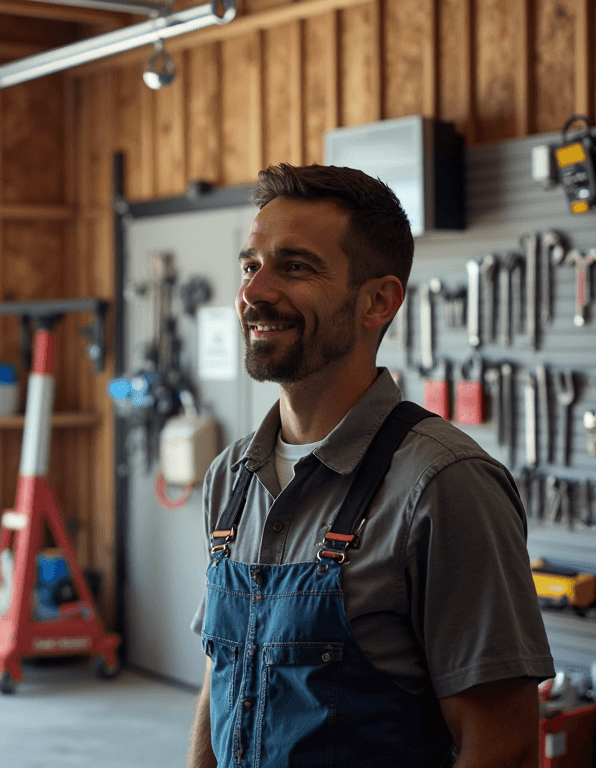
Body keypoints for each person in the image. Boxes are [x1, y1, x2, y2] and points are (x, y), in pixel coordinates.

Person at [185, 164, 554, 768]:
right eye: (251, 266)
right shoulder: (232, 478)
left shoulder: (443, 484)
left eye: (295, 266)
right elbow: (220, 678)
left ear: (377, 301)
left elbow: (502, 744)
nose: (254, 292)